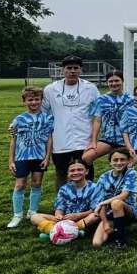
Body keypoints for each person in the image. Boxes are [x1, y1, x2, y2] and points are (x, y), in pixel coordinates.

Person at [41, 55, 99, 188]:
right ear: (62, 70)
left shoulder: (91, 88)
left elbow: (98, 115)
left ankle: (88, 198)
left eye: (76, 68)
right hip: (60, 140)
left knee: (86, 173)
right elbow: (41, 113)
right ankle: (62, 199)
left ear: (81, 70)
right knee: (62, 173)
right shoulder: (50, 89)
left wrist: (94, 140)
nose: (72, 71)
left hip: (84, 140)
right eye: (69, 68)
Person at [7, 86, 54, 228]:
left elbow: (49, 139)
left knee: (37, 183)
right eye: (30, 100)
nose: (33, 102)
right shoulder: (19, 119)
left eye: (36, 99)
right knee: (20, 185)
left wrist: (47, 157)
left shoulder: (47, 118)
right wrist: (11, 160)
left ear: (41, 100)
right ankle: (17, 215)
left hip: (39, 156)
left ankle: (32, 211)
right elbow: (13, 140)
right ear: (24, 102)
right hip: (22, 157)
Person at [31, 158, 101, 239]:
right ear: (68, 173)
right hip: (65, 219)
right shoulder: (64, 189)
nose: (76, 173)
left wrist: (78, 215)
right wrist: (58, 215)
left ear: (86, 171)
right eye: (72, 171)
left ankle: (57, 232)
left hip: (84, 218)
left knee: (95, 216)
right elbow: (60, 207)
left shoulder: (95, 188)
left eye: (80, 170)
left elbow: (95, 209)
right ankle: (65, 232)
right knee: (34, 217)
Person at [91, 148, 137, 249]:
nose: (119, 162)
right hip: (109, 214)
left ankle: (120, 242)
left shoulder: (131, 173)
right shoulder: (104, 178)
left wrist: (103, 202)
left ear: (129, 161)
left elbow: (124, 195)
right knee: (96, 243)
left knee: (116, 203)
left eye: (122, 159)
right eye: (115, 160)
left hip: (129, 210)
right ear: (110, 162)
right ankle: (114, 228)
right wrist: (105, 223)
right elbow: (99, 202)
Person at [85, 70, 134, 166]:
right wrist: (94, 141)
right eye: (111, 81)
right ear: (107, 82)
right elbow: (97, 120)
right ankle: (88, 175)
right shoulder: (101, 100)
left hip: (125, 140)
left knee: (126, 164)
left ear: (122, 81)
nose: (114, 83)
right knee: (87, 156)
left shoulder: (130, 100)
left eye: (117, 81)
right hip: (108, 139)